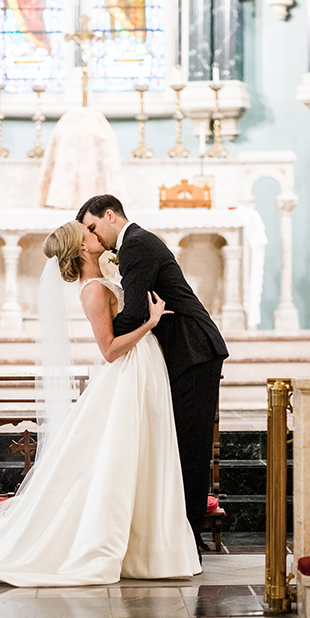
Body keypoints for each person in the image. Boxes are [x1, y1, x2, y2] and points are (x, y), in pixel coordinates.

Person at [0, 219, 201, 587]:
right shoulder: (92, 290)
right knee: (123, 456)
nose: (97, 235)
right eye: (90, 232)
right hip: (127, 370)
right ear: (84, 246)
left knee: (147, 451)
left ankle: (152, 546)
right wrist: (149, 324)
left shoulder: (103, 278)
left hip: (142, 367)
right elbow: (108, 350)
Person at [77, 195, 228, 557]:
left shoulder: (136, 245)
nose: (94, 237)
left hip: (192, 351)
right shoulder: (134, 244)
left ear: (110, 215)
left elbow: (131, 312)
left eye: (94, 227)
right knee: (179, 442)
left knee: (191, 446)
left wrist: (111, 334)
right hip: (182, 352)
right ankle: (181, 529)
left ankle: (189, 535)